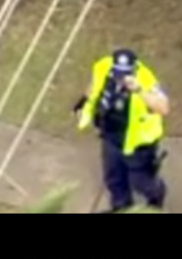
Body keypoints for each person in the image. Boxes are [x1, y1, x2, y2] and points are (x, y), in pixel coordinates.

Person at [73, 48, 170, 212]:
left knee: (141, 182)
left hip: (137, 143)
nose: (122, 78)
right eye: (118, 73)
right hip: (111, 136)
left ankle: (156, 197)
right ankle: (121, 208)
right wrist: (82, 103)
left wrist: (139, 90)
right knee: (114, 179)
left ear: (134, 68)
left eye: (126, 73)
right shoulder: (103, 67)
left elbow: (163, 108)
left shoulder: (146, 79)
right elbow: (94, 85)